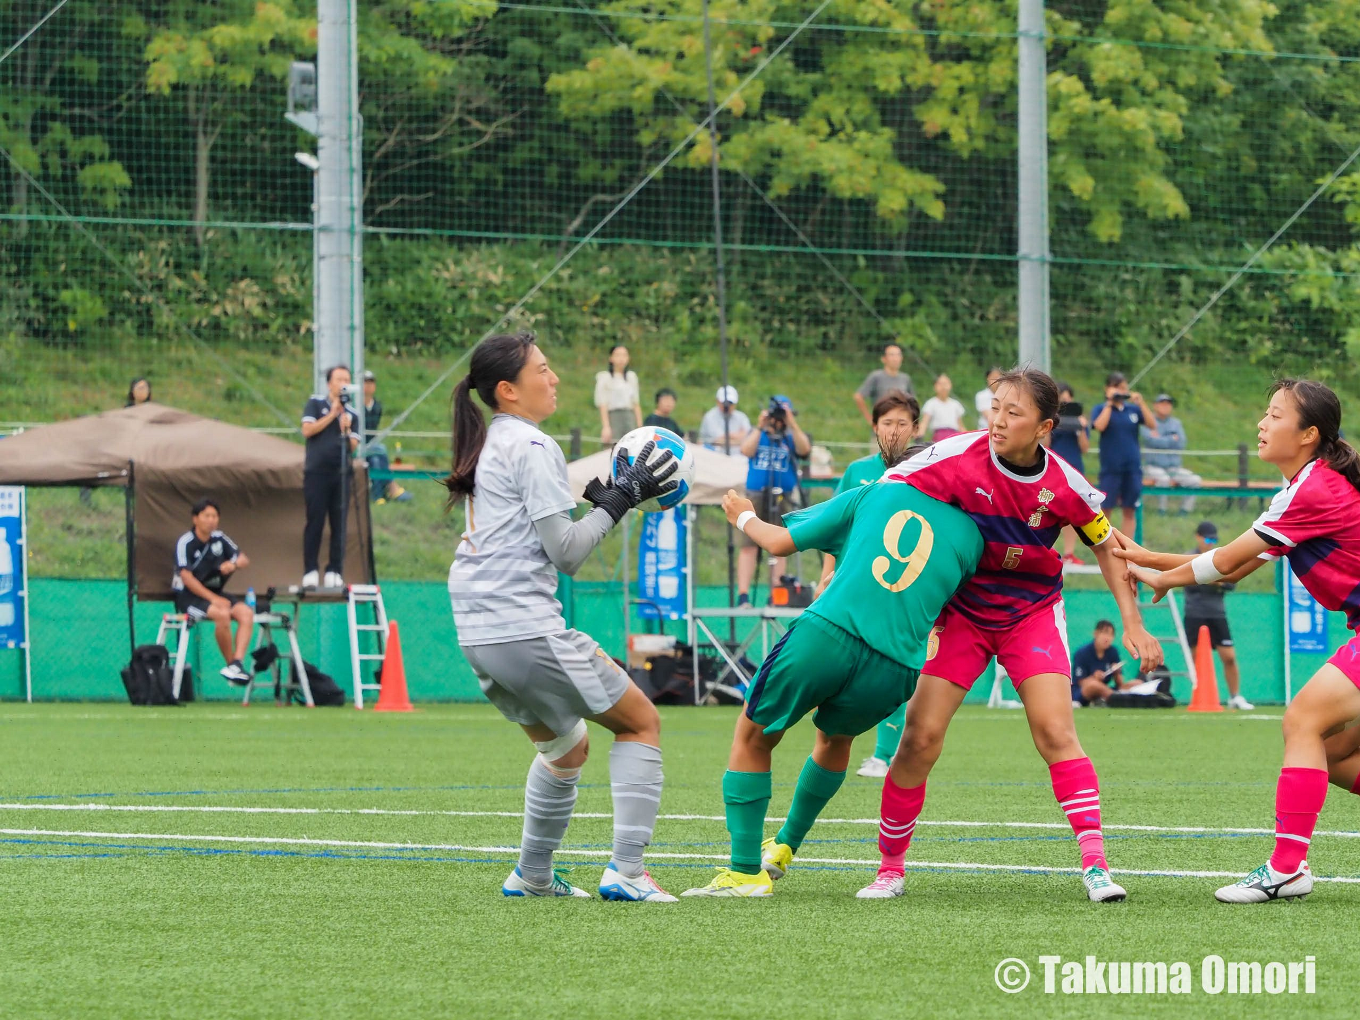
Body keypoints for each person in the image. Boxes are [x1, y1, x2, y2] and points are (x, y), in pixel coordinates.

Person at [858, 368, 1162, 904]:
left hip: (1032, 615)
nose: (997, 420)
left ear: (1044, 426)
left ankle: (1096, 868)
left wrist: (1132, 621)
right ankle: (889, 869)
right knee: (919, 738)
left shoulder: (1065, 484)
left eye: (1013, 412)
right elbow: (883, 497)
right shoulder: (952, 456)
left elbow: (1106, 544)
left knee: (1055, 733)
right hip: (962, 616)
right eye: (995, 406)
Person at [446, 330, 679, 901]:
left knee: (565, 747)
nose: (554, 379)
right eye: (542, 370)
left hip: (476, 631)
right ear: (508, 390)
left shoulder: (494, 443)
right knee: (641, 722)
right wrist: (621, 500)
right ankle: (627, 872)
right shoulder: (532, 445)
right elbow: (568, 553)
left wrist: (603, 500)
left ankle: (531, 876)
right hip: (520, 624)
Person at [681, 476, 983, 897]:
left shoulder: (879, 489)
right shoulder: (974, 536)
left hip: (830, 633)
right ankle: (785, 845)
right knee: (835, 739)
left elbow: (780, 543)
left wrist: (743, 515)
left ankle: (745, 872)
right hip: (897, 665)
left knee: (754, 736)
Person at [1121, 379, 1360, 903]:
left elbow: (1226, 562)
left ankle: (1287, 868)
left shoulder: (1313, 489)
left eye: (1275, 415)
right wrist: (1148, 558)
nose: (1261, 423)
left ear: (1308, 434)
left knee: (1303, 721)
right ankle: (1289, 867)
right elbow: (1241, 562)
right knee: (1334, 754)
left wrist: (1160, 577)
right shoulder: (1303, 490)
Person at [811, 392, 921, 778]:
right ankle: (833, 745)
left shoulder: (927, 472)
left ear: (916, 429)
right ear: (874, 427)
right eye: (887, 423)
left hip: (898, 588)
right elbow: (833, 526)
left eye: (902, 423)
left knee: (891, 667)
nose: (894, 430)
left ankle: (884, 755)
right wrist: (828, 574)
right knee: (838, 667)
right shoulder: (857, 472)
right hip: (849, 584)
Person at [737, 395, 812, 605]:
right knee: (748, 544)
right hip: (756, 494)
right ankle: (743, 595)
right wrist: (760, 427)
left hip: (783, 494)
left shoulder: (789, 436)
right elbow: (745, 450)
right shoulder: (759, 433)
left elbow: (805, 449)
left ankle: (776, 593)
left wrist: (792, 423)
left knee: (780, 541)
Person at [171, 498, 253, 684]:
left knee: (246, 613)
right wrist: (214, 599)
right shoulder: (186, 542)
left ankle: (236, 664)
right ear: (195, 519)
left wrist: (232, 565)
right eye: (206, 516)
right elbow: (186, 577)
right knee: (222, 614)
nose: (211, 520)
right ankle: (231, 664)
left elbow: (243, 559)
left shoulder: (220, 538)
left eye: (214, 516)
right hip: (189, 597)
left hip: (215, 593)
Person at [300, 365, 360, 589]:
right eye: (339, 378)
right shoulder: (315, 403)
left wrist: (345, 428)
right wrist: (332, 415)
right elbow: (307, 430)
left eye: (347, 378)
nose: (343, 382)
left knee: (339, 523)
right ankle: (310, 570)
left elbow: (353, 445)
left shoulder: (353, 414)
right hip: (316, 472)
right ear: (329, 383)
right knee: (315, 521)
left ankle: (334, 569)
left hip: (341, 474)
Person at [1181, 521, 1251, 710]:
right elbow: (1185, 579)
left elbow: (1231, 583)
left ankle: (1235, 696)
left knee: (1229, 657)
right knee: (1197, 659)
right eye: (1207, 538)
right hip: (1194, 614)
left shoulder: (1219, 557)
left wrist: (1213, 579)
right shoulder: (1189, 557)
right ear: (1198, 537)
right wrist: (1209, 578)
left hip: (1217, 614)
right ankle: (1199, 696)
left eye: (1214, 539)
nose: (1210, 543)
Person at [1092, 371, 1156, 536]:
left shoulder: (1132, 410)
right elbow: (1099, 426)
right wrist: (1109, 403)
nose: (1121, 390)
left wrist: (1141, 403)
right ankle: (1107, 546)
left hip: (1132, 467)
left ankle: (1128, 552)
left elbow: (1151, 424)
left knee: (1130, 509)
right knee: (1106, 509)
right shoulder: (1101, 408)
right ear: (1108, 389)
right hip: (1111, 467)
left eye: (1123, 387)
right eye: (1117, 387)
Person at [1050, 382, 1091, 566]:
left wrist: (1080, 427)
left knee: (1071, 512)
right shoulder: (1050, 420)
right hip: (1053, 469)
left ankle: (1069, 553)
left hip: (1074, 469)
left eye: (1068, 399)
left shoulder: (1078, 421)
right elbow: (1045, 444)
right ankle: (1048, 550)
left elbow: (1085, 448)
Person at [1142, 393, 1201, 514]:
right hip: (1153, 467)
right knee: (1163, 480)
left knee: (1195, 480)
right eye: (1162, 403)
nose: (1165, 406)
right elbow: (1150, 440)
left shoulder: (1176, 423)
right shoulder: (1148, 421)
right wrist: (1171, 439)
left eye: (1168, 404)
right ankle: (1161, 510)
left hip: (1173, 468)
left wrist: (1161, 439)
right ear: (1155, 406)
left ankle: (1184, 511)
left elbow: (1181, 443)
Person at [361, 370, 412, 505]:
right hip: (358, 444)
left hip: (370, 444)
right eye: (365, 383)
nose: (368, 386)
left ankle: (379, 495)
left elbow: (373, 428)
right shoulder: (357, 405)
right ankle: (391, 488)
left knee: (377, 458)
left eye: (371, 383)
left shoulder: (377, 406)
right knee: (380, 451)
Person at [854, 343, 913, 428]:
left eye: (898, 355)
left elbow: (912, 402)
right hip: (881, 430)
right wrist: (870, 419)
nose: (895, 359)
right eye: (892, 355)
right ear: (884, 359)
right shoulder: (876, 377)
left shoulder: (906, 379)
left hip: (901, 430)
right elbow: (858, 396)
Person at [1071, 620, 1128, 706]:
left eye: (1111, 634)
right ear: (1096, 634)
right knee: (1094, 685)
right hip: (1082, 692)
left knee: (1136, 683)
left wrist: (1117, 672)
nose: (1107, 638)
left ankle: (1112, 698)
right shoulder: (1082, 653)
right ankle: (1119, 699)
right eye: (1104, 633)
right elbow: (1081, 682)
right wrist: (1095, 677)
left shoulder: (1113, 651)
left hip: (1106, 689)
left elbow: (1120, 684)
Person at [593, 344, 642, 446]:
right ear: (611, 358)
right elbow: (603, 403)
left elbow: (635, 403)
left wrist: (639, 425)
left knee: (631, 447)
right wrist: (606, 426)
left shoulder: (631, 377)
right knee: (614, 446)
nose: (621, 359)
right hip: (614, 417)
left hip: (629, 416)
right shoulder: (605, 378)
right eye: (618, 355)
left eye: (624, 355)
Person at [698, 385, 751, 451]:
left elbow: (748, 438)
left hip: (738, 456)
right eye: (724, 403)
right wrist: (738, 437)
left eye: (730, 403)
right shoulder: (710, 417)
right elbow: (718, 440)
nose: (727, 406)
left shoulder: (742, 417)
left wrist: (728, 436)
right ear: (717, 401)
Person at [918, 373, 967, 442]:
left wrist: (967, 437)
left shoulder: (955, 404)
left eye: (945, 384)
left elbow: (960, 425)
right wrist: (919, 435)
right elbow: (924, 422)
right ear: (935, 386)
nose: (943, 387)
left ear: (950, 385)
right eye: (940, 384)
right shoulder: (931, 403)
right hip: (938, 437)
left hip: (954, 437)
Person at [974, 366, 1003, 430]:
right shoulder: (981, 396)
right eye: (993, 378)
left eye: (999, 377)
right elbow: (989, 416)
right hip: (985, 429)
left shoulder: (1007, 395)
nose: (997, 380)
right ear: (987, 379)